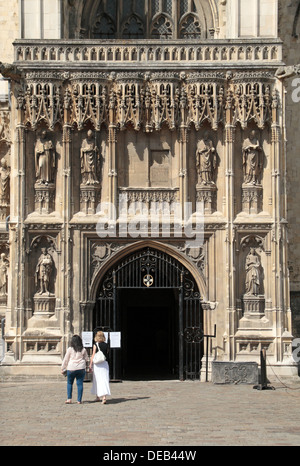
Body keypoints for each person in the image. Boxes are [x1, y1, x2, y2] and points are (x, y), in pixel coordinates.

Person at [61, 335, 89, 404]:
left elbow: (66, 359)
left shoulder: (70, 349)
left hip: (71, 368)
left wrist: (63, 368)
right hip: (81, 368)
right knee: (80, 384)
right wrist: (88, 367)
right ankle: (79, 400)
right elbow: (87, 359)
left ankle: (69, 399)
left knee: (70, 383)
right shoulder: (83, 349)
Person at [90, 331, 111, 404]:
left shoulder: (95, 344)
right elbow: (107, 354)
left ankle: (98, 396)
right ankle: (104, 397)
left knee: (97, 380)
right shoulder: (107, 345)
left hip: (97, 364)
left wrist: (90, 364)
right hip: (104, 364)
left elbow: (93, 355)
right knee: (104, 380)